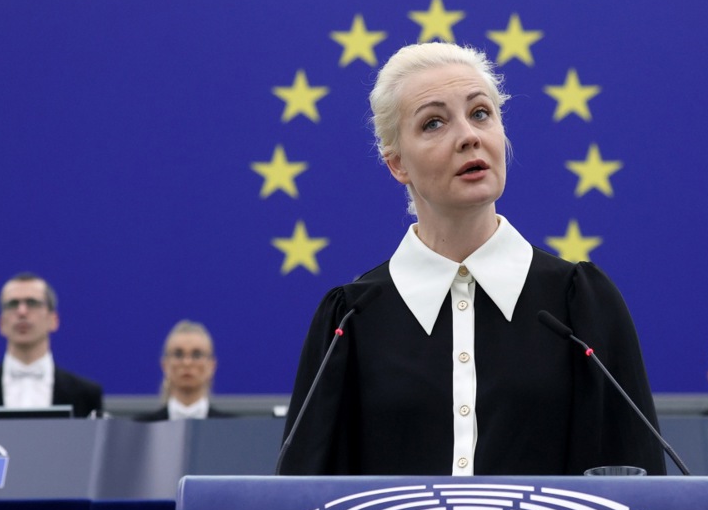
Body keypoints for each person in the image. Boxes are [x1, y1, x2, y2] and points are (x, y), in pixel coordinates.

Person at [276, 42, 665, 476]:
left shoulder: (581, 304)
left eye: (480, 113)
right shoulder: (351, 319)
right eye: (434, 123)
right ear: (396, 164)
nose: (468, 136)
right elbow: (304, 503)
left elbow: (634, 493)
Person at [0, 272, 103, 417]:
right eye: (12, 304)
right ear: (1, 323)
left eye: (32, 303)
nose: (22, 312)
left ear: (53, 320)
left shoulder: (85, 394)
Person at [134, 320, 233, 421]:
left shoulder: (231, 427)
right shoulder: (141, 426)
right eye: (178, 354)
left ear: (212, 365)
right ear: (165, 365)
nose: (187, 363)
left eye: (196, 355)